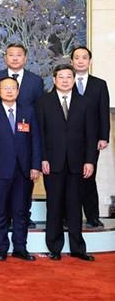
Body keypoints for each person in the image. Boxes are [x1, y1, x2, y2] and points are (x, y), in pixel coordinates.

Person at [37, 64, 97, 262]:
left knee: (74, 206)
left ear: (73, 79)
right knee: (54, 206)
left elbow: (91, 135)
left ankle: (78, 248)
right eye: (61, 77)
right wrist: (42, 158)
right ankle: (54, 248)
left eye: (68, 77)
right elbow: (40, 134)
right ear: (54, 80)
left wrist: (90, 161)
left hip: (77, 162)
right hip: (52, 162)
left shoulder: (85, 102)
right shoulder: (44, 102)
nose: (65, 80)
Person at [0, 43, 44, 227]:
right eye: (11, 54)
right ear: (5, 57)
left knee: (23, 197)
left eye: (19, 55)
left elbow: (39, 112)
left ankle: (24, 217)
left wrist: (36, 161)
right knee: (2, 204)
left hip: (24, 144)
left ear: (25, 58)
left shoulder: (35, 81)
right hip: (2, 147)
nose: (15, 58)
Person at [0, 76, 41, 262]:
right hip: (0, 171)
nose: (9, 91)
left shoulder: (28, 112)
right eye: (5, 88)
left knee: (21, 211)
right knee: (1, 211)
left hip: (24, 171)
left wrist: (35, 166)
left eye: (12, 88)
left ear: (18, 91)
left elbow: (35, 141)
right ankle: (1, 248)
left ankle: (20, 247)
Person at [71, 46, 110, 228]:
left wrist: (104, 136)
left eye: (84, 57)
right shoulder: (65, 81)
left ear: (90, 61)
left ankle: (92, 216)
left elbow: (103, 111)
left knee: (88, 176)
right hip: (69, 139)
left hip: (91, 139)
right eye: (77, 58)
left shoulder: (99, 84)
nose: (80, 61)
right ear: (71, 61)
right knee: (70, 178)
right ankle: (69, 216)